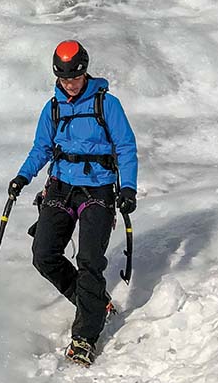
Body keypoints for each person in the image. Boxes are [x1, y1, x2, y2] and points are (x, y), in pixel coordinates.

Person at [8, 40, 138, 366]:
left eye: (75, 78)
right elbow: (41, 148)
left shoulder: (106, 104)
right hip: (61, 187)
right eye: (64, 79)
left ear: (84, 71)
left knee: (89, 261)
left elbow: (125, 147)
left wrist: (129, 188)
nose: (70, 84)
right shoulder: (52, 107)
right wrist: (23, 177)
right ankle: (93, 302)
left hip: (98, 189)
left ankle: (84, 337)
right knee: (44, 255)